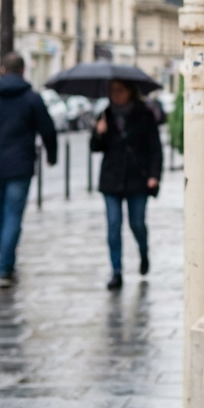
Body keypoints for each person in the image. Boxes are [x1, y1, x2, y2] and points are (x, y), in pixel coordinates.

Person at [0, 52, 57, 287]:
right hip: (21, 165)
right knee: (13, 215)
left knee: (0, 214)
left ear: (2, 70)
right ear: (23, 71)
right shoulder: (32, 98)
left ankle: (6, 261)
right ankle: (5, 266)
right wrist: (52, 155)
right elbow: (48, 129)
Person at [90, 79, 162, 290]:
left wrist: (153, 175)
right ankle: (116, 271)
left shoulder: (144, 114)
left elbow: (155, 148)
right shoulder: (105, 114)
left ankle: (143, 251)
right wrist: (99, 132)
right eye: (112, 90)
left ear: (130, 91)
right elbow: (95, 147)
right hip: (111, 179)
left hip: (137, 178)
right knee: (113, 226)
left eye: (120, 90)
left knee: (136, 223)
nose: (116, 95)